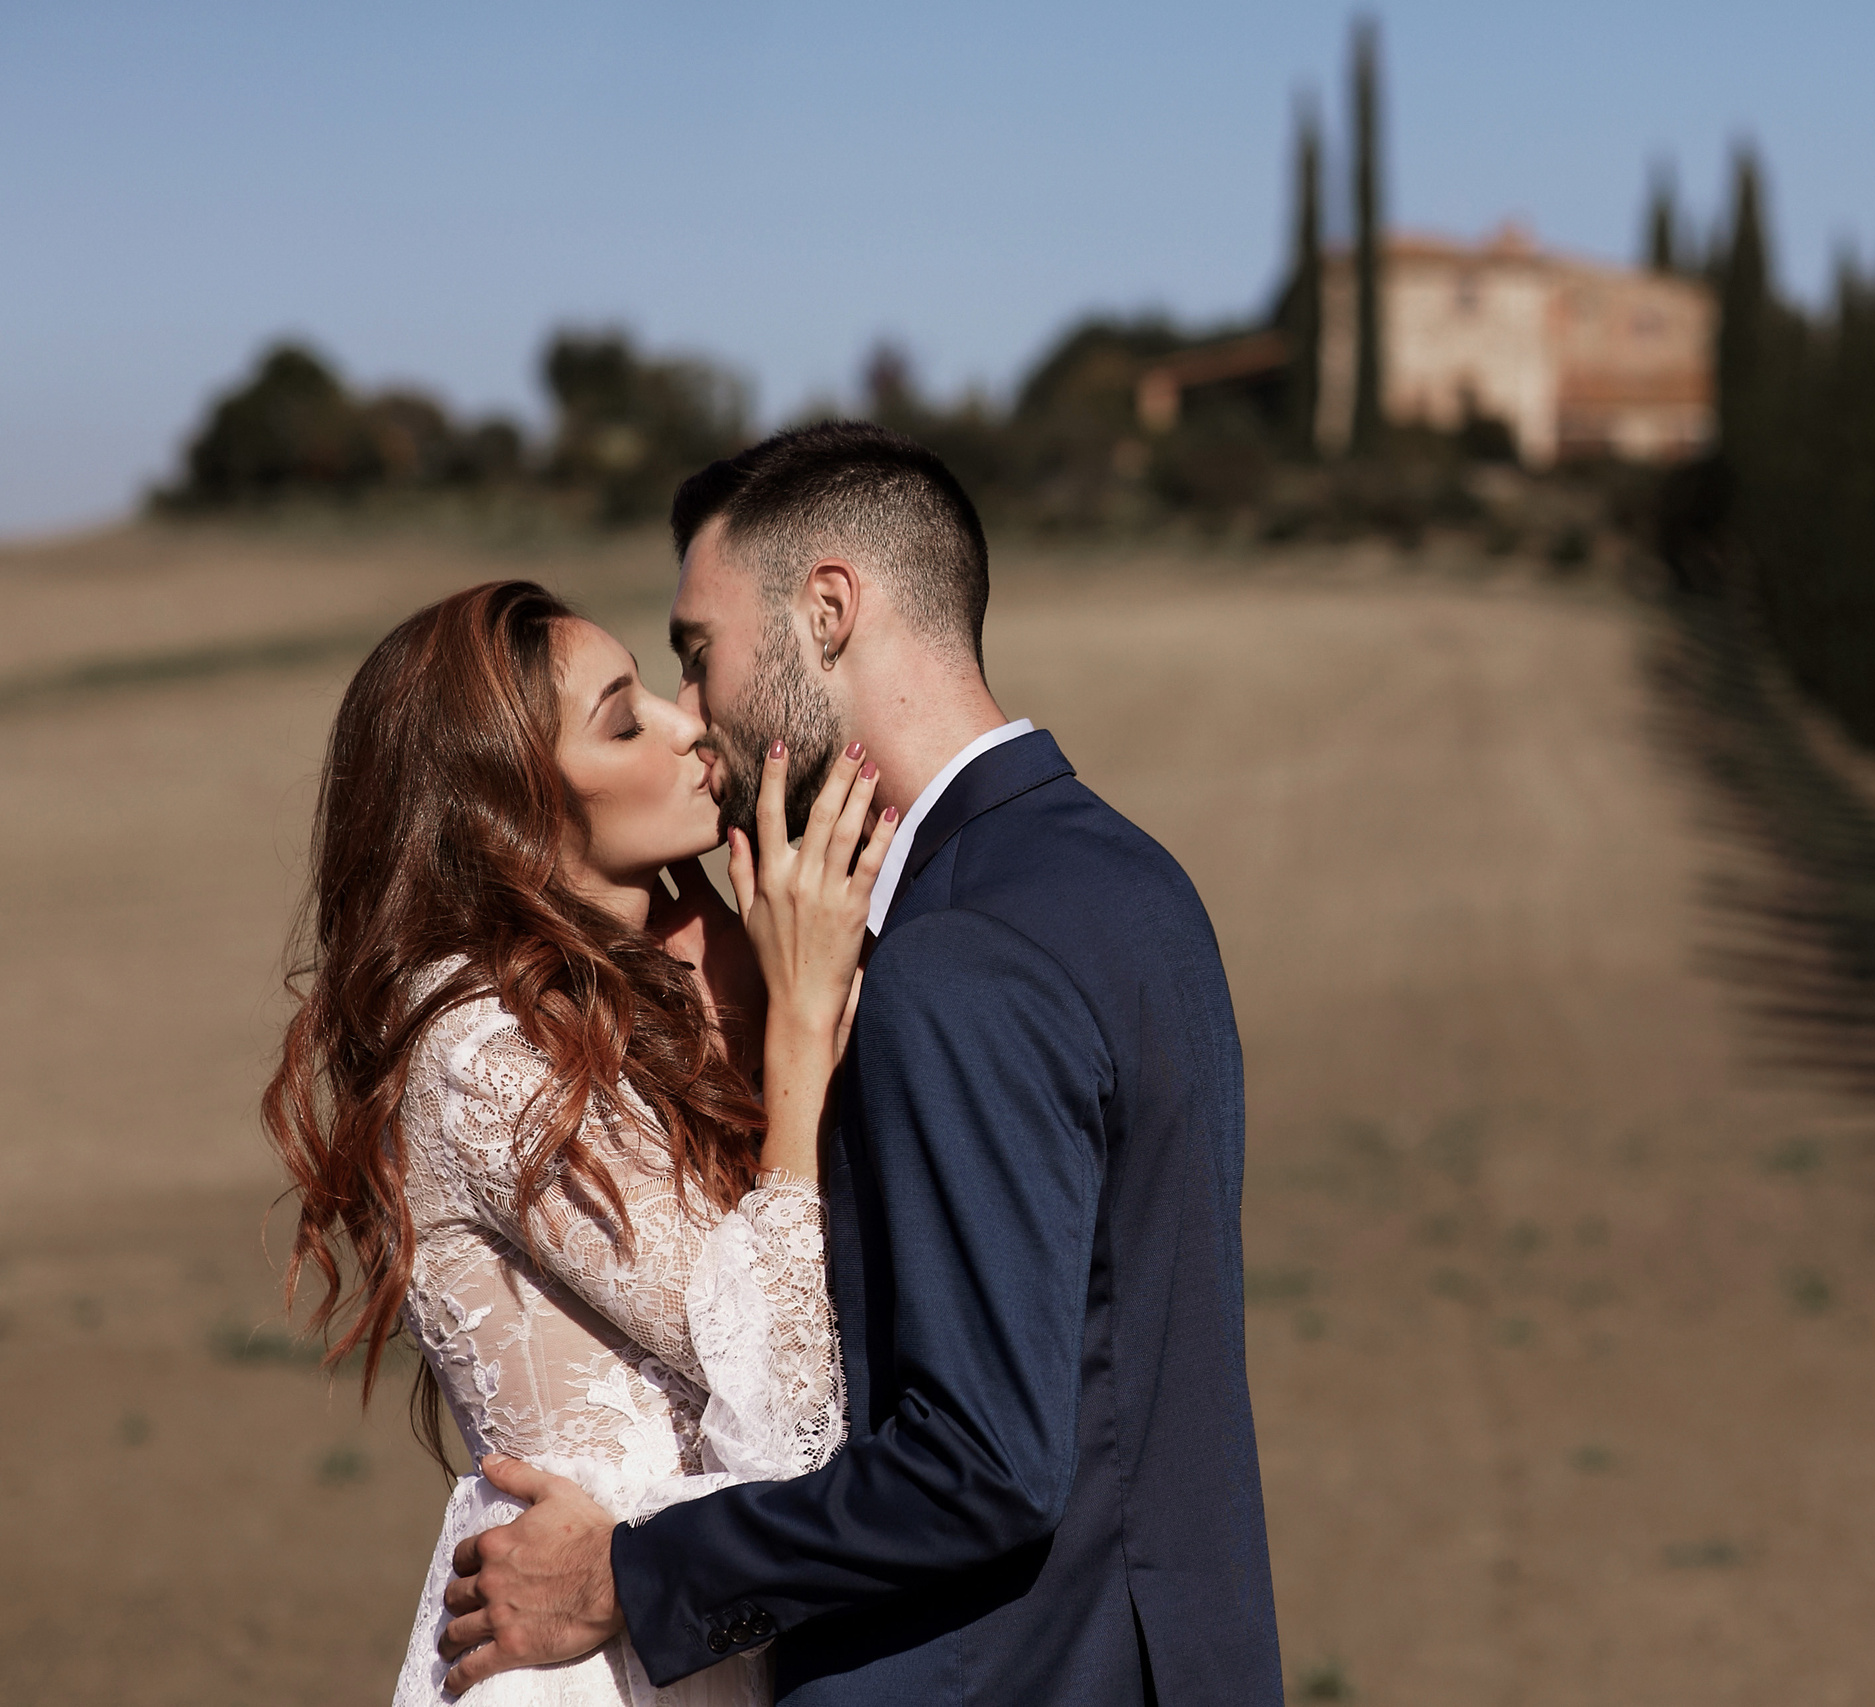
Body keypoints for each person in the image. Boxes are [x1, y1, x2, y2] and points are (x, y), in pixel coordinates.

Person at [433, 422, 1286, 1706]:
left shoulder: (954, 959)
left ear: (828, 608)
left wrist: (632, 1579)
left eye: (697, 654)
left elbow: (979, 1463)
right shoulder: (1130, 881)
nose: (695, 719)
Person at [265, 577, 898, 1705]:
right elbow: (795, 1420)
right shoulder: (481, 1052)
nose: (689, 724)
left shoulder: (617, 1010)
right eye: (624, 720)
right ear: (510, 810)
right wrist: (802, 1038)